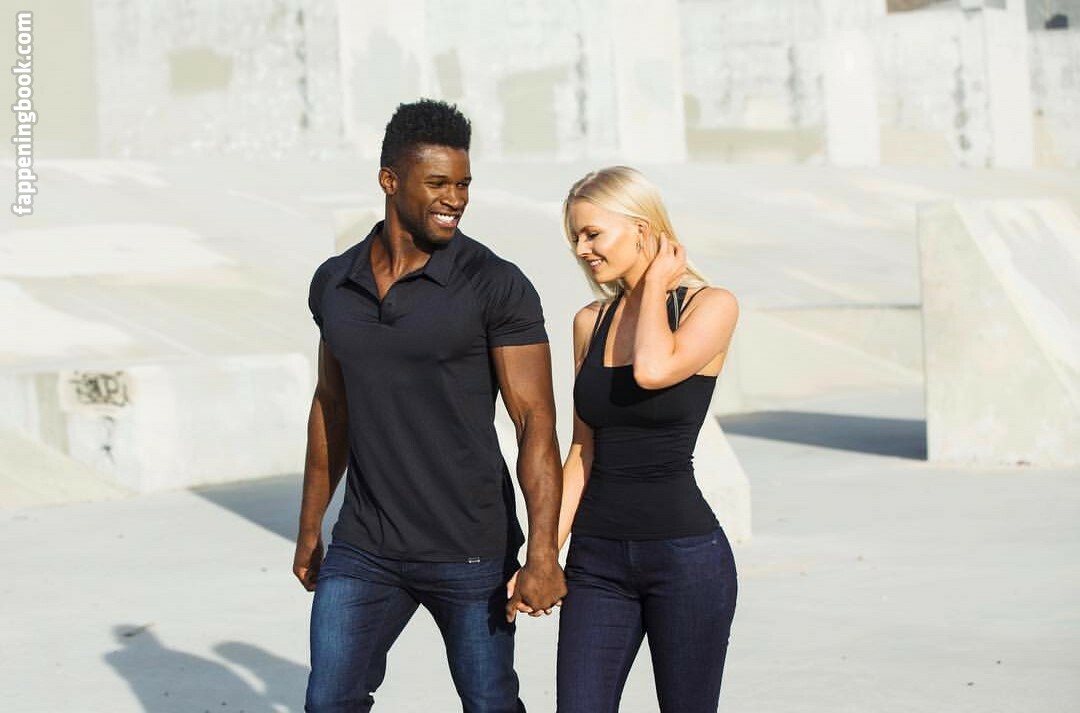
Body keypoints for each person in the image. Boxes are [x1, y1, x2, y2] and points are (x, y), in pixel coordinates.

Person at [294, 99, 566, 713]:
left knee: (490, 703)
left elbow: (535, 422)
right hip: (365, 545)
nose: (456, 199)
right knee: (329, 701)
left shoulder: (495, 283)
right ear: (390, 180)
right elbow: (331, 406)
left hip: (470, 548)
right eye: (439, 183)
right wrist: (311, 527)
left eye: (464, 184)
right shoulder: (334, 282)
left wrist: (543, 551)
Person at [554, 166, 739, 712]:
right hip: (595, 560)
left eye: (592, 234)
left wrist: (654, 285)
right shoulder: (590, 322)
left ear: (641, 229)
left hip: (684, 560)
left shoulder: (711, 306)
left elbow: (653, 371)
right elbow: (582, 452)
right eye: (576, 238)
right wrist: (542, 553)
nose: (582, 250)